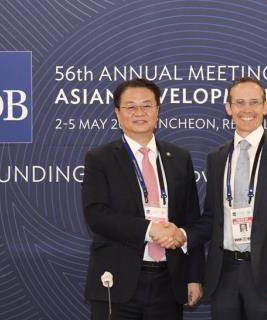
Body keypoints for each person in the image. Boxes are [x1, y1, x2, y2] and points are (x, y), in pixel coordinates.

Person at [185, 77, 267, 319]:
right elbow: (212, 217)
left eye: (254, 102)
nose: (247, 110)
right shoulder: (217, 157)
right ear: (228, 108)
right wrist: (182, 236)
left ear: (266, 107)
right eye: (240, 103)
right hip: (223, 272)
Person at [81, 78, 204, 320]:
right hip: (118, 281)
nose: (140, 113)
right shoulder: (100, 158)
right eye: (131, 107)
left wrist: (194, 276)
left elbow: (192, 219)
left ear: (158, 110)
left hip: (169, 281)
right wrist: (150, 230)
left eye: (147, 105)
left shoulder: (179, 158)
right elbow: (96, 214)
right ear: (117, 113)